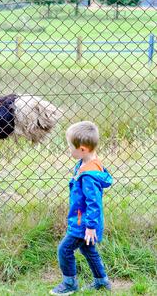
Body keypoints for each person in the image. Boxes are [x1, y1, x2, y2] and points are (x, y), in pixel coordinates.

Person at [50, 121, 113, 295]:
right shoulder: (90, 163)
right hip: (84, 220)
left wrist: (90, 226)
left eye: (70, 146)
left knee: (64, 249)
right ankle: (102, 282)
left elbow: (94, 203)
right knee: (87, 249)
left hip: (83, 223)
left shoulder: (88, 176)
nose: (69, 149)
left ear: (83, 149)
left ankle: (69, 283)